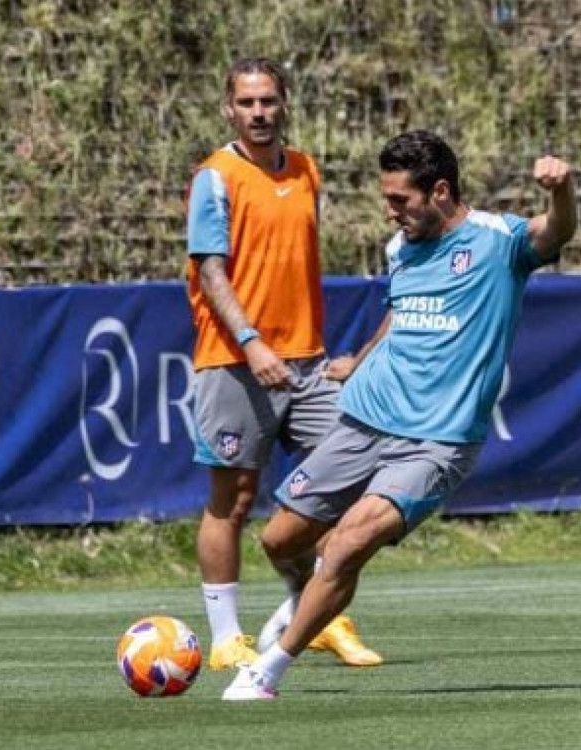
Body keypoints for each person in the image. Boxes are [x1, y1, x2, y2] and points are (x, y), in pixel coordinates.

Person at [222, 130, 578, 700]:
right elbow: (400, 313)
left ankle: (266, 672)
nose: (389, 212)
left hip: (435, 442)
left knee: (344, 546)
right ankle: (304, 603)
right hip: (363, 420)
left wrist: (562, 191)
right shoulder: (401, 248)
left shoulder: (496, 241)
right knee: (280, 540)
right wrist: (359, 362)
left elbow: (554, 231)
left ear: (439, 191)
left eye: (399, 200)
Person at [185, 57, 382, 671]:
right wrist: (251, 341)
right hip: (235, 359)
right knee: (233, 498)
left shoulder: (305, 170)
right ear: (230, 109)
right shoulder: (215, 178)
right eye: (247, 103)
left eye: (268, 101)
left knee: (348, 491)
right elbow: (211, 269)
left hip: (310, 362)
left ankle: (316, 616)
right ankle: (224, 638)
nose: (259, 113)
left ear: (285, 103)